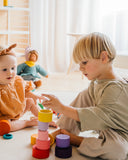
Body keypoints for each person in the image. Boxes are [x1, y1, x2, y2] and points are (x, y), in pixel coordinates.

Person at [42, 32, 128, 160]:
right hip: (104, 124)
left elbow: (96, 116)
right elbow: (85, 104)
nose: (80, 68)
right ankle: (64, 131)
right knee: (85, 95)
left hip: (120, 132)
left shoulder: (115, 89)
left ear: (104, 57)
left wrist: (62, 108)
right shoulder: (98, 80)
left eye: (84, 62)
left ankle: (76, 140)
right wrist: (64, 111)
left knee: (118, 150)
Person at [0, 44, 43, 138]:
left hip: (16, 111)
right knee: (5, 126)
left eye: (13, 68)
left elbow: (25, 92)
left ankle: (42, 119)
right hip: (0, 117)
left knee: (30, 101)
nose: (10, 72)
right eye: (4, 69)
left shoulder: (18, 80)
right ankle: (27, 123)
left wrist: (34, 96)